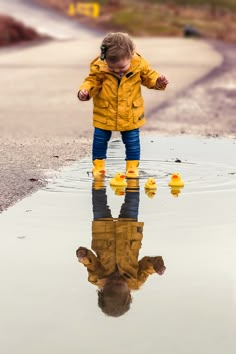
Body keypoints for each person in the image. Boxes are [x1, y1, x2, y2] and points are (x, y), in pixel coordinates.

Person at [77, 32, 168, 178]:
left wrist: (158, 82)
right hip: (104, 112)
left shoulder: (138, 65)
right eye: (112, 68)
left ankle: (132, 168)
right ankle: (98, 167)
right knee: (100, 140)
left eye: (121, 67)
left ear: (131, 54)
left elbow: (149, 77)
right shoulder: (100, 67)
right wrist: (85, 91)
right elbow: (91, 81)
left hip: (130, 113)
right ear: (105, 58)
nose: (117, 71)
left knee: (132, 142)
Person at [76, 180, 166, 317]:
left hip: (103, 233)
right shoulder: (137, 281)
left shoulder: (96, 278)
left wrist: (83, 256)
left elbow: (91, 263)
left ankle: (98, 174)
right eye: (120, 284)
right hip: (129, 234)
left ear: (102, 290)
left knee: (99, 202)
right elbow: (147, 266)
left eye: (111, 284)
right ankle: (133, 176)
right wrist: (157, 266)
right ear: (129, 293)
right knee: (132, 202)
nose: (116, 279)